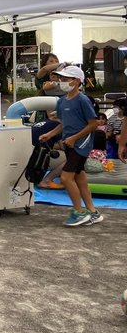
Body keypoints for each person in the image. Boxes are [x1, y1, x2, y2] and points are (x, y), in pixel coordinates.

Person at [37, 66, 104, 227]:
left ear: (77, 81)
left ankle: (79, 212)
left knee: (66, 177)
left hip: (81, 145)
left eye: (67, 79)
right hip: (70, 144)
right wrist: (50, 134)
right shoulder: (61, 101)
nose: (62, 82)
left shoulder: (82, 100)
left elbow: (93, 124)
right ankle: (93, 212)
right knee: (80, 178)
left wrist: (74, 138)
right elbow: (63, 124)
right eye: (62, 78)